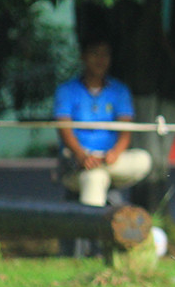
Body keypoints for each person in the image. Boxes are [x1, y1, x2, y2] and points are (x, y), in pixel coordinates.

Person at [54, 35, 152, 207]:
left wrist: (114, 153)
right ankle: (93, 232)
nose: (100, 60)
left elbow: (125, 131)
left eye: (105, 54)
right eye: (95, 54)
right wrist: (82, 155)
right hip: (77, 159)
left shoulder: (119, 90)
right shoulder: (67, 90)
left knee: (143, 160)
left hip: (110, 159)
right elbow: (64, 129)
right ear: (83, 56)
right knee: (95, 179)